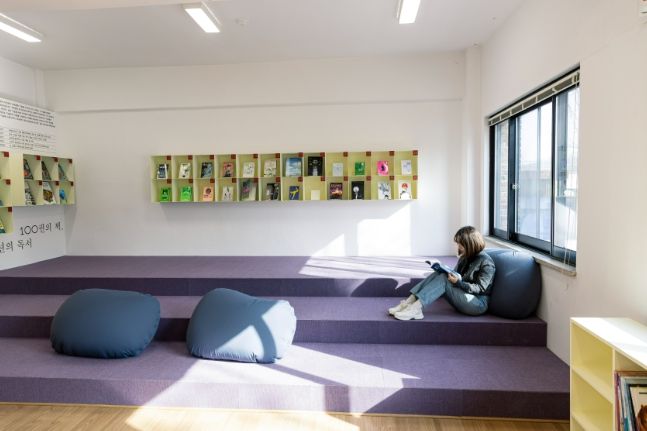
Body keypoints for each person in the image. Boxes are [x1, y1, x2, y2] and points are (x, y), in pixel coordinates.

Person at [389, 226, 495, 320]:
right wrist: (444, 271)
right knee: (440, 275)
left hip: (477, 303)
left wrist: (458, 282)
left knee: (444, 279)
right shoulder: (466, 257)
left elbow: (480, 288)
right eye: (458, 243)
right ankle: (409, 303)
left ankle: (416, 309)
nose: (458, 246)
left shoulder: (486, 262)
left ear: (470, 244)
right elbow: (456, 274)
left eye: (461, 244)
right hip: (464, 296)